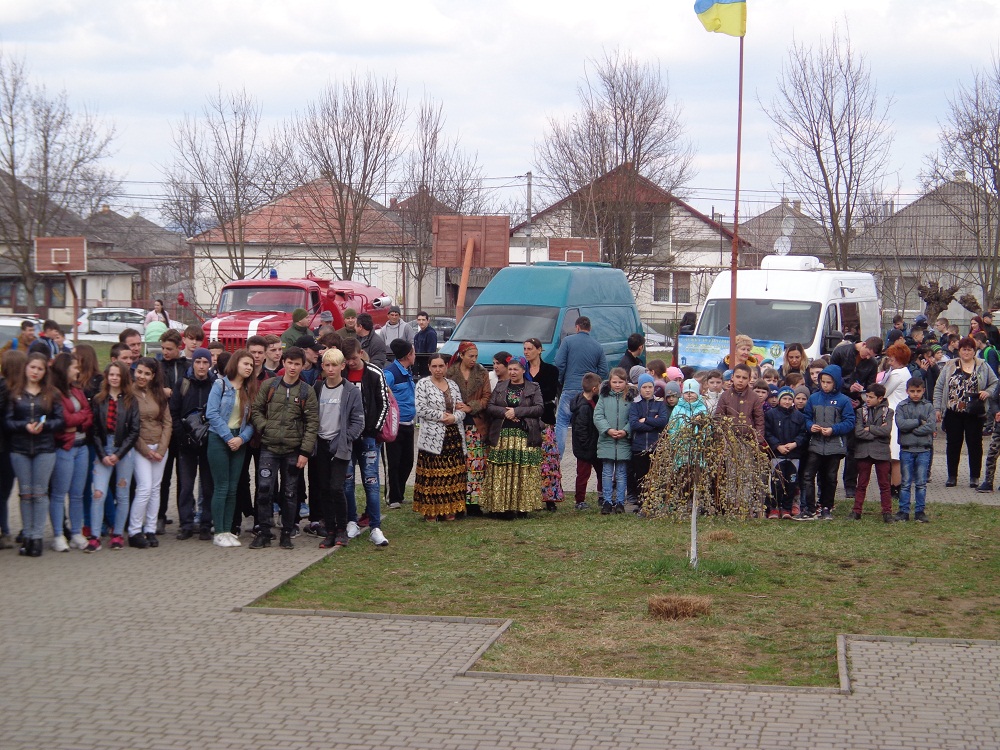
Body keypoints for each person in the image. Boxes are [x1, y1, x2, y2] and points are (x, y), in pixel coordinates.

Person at [249, 347, 318, 549]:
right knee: (264, 490)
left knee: (289, 493)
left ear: (302, 365)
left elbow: (312, 423)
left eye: (297, 364)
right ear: (284, 363)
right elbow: (256, 410)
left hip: (293, 450)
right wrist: (266, 428)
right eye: (290, 363)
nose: (293, 367)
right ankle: (263, 531)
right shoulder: (270, 385)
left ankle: (287, 532)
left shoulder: (307, 391)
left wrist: (305, 452)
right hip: (269, 448)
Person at [6, 352, 63, 556]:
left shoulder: (51, 393)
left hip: (44, 449)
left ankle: (37, 536)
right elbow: (8, 422)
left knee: (39, 493)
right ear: (26, 368)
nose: (35, 372)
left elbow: (60, 420)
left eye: (40, 369)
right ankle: (28, 535)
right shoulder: (15, 393)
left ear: (44, 371)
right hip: (20, 449)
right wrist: (24, 426)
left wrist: (44, 425)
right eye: (32, 367)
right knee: (25, 493)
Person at [313, 348, 366, 548]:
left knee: (337, 488)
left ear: (342, 366)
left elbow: (358, 422)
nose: (330, 369)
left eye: (334, 365)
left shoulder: (351, 391)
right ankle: (331, 530)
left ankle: (342, 530)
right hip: (321, 446)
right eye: (327, 365)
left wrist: (343, 440)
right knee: (324, 489)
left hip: (341, 447)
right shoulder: (318, 388)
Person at [205, 349, 257, 547]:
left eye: (251, 365)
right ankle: (219, 531)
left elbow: (252, 421)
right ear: (236, 364)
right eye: (246, 363)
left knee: (233, 488)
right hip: (219, 439)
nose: (249, 367)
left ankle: (228, 529)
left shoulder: (249, 390)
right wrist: (228, 437)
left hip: (239, 441)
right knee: (222, 486)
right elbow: (212, 413)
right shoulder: (220, 385)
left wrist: (242, 439)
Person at [341, 338, 390, 546]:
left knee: (371, 481)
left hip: (369, 438)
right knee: (347, 482)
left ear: (361, 353)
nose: (350, 363)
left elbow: (384, 403)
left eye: (353, 358)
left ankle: (375, 526)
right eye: (347, 360)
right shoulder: (341, 374)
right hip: (346, 439)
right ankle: (351, 521)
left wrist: (374, 430)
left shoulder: (374, 373)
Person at [481, 356, 543, 516]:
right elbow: (490, 406)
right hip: (502, 435)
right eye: (510, 369)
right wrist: (506, 413)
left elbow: (539, 408)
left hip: (524, 434)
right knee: (503, 471)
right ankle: (502, 507)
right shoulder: (501, 386)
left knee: (521, 471)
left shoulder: (533, 387)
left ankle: (522, 507)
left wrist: (517, 411)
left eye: (516, 369)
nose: (513, 372)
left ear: (524, 370)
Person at [933, 336, 998, 487]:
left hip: (974, 413)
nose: (966, 352)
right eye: (964, 349)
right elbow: (939, 387)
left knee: (975, 444)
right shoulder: (950, 365)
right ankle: (951, 476)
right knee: (953, 444)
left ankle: (974, 476)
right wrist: (937, 408)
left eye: (970, 349)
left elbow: (994, 382)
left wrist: (987, 392)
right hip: (953, 411)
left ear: (974, 351)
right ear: (959, 350)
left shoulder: (982, 366)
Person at [89, 362, 140, 551]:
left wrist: (118, 454)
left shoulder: (130, 400)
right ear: (106, 376)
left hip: (124, 451)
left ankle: (117, 534)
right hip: (103, 448)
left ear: (123, 377)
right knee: (98, 493)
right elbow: (93, 430)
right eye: (111, 374)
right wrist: (103, 454)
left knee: (122, 494)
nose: (114, 378)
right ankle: (94, 536)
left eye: (118, 375)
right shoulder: (98, 400)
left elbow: (134, 431)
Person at [170, 347, 217, 541]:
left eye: (205, 362)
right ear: (193, 363)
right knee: (186, 486)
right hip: (185, 444)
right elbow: (173, 412)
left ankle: (206, 523)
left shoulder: (215, 384)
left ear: (210, 364)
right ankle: (186, 524)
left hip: (207, 443)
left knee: (208, 486)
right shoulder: (183, 384)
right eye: (198, 362)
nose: (201, 366)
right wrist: (183, 436)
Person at [413, 353, 467, 521]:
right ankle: (431, 511)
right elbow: (421, 409)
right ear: (429, 367)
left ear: (446, 367)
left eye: (441, 366)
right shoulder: (423, 384)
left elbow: (461, 408)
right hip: (432, 437)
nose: (438, 369)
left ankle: (450, 509)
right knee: (433, 475)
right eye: (434, 366)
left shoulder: (453, 384)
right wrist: (442, 416)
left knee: (451, 475)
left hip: (453, 435)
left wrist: (454, 417)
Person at [48, 353, 94, 551]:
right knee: (59, 494)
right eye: (75, 367)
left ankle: (76, 532)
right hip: (64, 448)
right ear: (64, 368)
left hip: (81, 446)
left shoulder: (77, 389)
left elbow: (89, 414)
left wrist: (79, 418)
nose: (78, 370)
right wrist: (79, 418)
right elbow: (64, 420)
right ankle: (58, 535)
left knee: (77, 494)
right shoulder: (54, 393)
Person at [126, 357, 171, 548]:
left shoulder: (158, 394)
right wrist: (146, 450)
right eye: (139, 372)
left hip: (159, 448)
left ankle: (150, 529)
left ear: (153, 376)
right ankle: (134, 530)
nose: (142, 376)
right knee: (144, 488)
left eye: (146, 373)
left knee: (155, 489)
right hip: (140, 448)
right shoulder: (129, 394)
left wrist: (161, 449)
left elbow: (167, 422)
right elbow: (130, 426)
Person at [801, 364, 856, 520]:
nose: (824, 385)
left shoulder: (843, 401)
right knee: (808, 475)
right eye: (822, 382)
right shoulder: (813, 398)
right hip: (816, 444)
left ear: (836, 382)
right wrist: (811, 426)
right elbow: (806, 417)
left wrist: (834, 429)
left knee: (830, 477)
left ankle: (826, 507)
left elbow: (850, 422)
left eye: (828, 382)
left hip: (834, 446)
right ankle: (810, 508)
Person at [447, 342, 492, 514]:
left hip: (476, 423)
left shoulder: (482, 372)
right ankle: (457, 503)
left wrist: (470, 406)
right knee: (457, 463)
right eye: (470, 356)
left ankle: (474, 503)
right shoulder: (450, 373)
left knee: (476, 464)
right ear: (461, 355)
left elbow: (487, 397)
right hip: (455, 422)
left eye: (476, 356)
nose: (474, 360)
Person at [554, 316, 609, 456]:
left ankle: (557, 458)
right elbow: (603, 371)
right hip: (589, 393)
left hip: (570, 388)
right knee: (589, 424)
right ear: (589, 328)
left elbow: (559, 363)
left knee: (561, 423)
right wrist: (593, 384)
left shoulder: (567, 341)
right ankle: (591, 454)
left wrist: (561, 381)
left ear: (577, 327)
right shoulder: (597, 346)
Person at [524, 337, 563, 511]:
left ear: (539, 350)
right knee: (528, 460)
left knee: (548, 460)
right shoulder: (521, 369)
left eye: (530, 348)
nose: (526, 352)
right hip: (525, 419)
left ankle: (549, 498)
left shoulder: (551, 370)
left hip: (545, 418)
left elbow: (548, 392)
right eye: (524, 349)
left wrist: (531, 391)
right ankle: (529, 496)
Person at [156, 328, 188, 534]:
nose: (165, 352)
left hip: (183, 429)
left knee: (184, 478)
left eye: (169, 349)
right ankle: (159, 515)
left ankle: (185, 517)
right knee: (164, 477)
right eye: (163, 348)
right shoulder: (157, 367)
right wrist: (162, 391)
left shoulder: (187, 366)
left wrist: (175, 392)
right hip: (163, 429)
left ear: (179, 348)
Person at [851, 383, 895, 522]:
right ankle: (856, 510)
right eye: (866, 396)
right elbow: (858, 432)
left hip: (881, 452)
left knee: (884, 484)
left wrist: (869, 428)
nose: (867, 399)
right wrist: (876, 431)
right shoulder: (860, 412)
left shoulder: (888, 412)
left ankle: (887, 512)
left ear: (880, 398)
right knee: (862, 483)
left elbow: (887, 431)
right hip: (864, 451)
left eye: (871, 397)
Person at [594, 367, 634, 514]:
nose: (617, 385)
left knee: (622, 474)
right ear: (609, 382)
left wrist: (626, 431)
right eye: (614, 382)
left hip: (623, 442)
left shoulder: (630, 399)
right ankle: (607, 501)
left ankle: (620, 502)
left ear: (626, 382)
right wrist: (608, 430)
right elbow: (598, 416)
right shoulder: (603, 398)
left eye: (620, 382)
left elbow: (633, 417)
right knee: (607, 473)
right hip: (607, 441)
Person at [383, 339, 417, 511]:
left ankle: (400, 493)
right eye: (413, 352)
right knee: (393, 462)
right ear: (408, 355)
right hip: (394, 425)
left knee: (408, 461)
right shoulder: (390, 373)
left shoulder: (407, 371)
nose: (415, 355)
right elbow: (381, 393)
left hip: (409, 423)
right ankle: (392, 496)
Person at [765, 386, 807, 519]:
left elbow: (803, 434)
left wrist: (795, 444)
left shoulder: (799, 416)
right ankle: (774, 507)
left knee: (791, 482)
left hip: (793, 455)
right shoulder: (771, 414)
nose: (787, 401)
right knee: (776, 483)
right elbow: (767, 433)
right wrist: (777, 446)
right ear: (778, 399)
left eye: (790, 399)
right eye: (784, 398)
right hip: (777, 456)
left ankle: (787, 508)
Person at [896, 377, 935, 522]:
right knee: (905, 483)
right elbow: (900, 424)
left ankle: (920, 511)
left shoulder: (928, 406)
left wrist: (913, 430)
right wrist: (918, 422)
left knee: (921, 483)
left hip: (924, 449)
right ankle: (903, 511)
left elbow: (931, 426)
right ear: (907, 391)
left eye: (918, 391)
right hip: (906, 449)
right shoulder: (902, 406)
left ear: (923, 390)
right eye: (912, 391)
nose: (915, 394)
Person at [628, 373, 667, 509]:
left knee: (654, 476)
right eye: (644, 387)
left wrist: (646, 420)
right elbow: (634, 424)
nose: (648, 390)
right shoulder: (635, 405)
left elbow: (663, 422)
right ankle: (642, 502)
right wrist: (653, 423)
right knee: (640, 476)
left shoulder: (659, 403)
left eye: (650, 386)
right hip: (639, 447)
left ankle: (654, 502)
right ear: (640, 388)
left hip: (655, 446)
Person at [880, 342, 913, 497]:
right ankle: (896, 486)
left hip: (893, 415)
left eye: (892, 359)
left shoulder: (897, 374)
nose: (890, 362)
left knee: (894, 456)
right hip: (901, 414)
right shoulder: (906, 372)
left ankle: (895, 487)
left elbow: (883, 393)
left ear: (899, 360)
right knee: (896, 455)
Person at [570, 372, 602, 511]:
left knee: (601, 472)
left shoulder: (593, 400)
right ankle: (580, 500)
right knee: (583, 475)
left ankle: (602, 496)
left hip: (593, 446)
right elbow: (580, 430)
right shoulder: (583, 407)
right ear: (594, 388)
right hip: (586, 448)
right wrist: (588, 445)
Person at [716, 364, 765, 446]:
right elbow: (718, 417)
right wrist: (720, 438)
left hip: (749, 441)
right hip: (729, 441)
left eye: (744, 378)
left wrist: (758, 440)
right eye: (738, 377)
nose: (741, 380)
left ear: (749, 379)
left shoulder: (754, 397)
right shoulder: (725, 395)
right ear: (732, 377)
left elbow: (759, 419)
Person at [412, 311, 437, 379]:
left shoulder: (431, 334)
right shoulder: (417, 335)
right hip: (419, 366)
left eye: (423, 320)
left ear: (428, 321)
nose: (421, 322)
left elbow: (431, 353)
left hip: (427, 367)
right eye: (419, 320)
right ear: (417, 321)